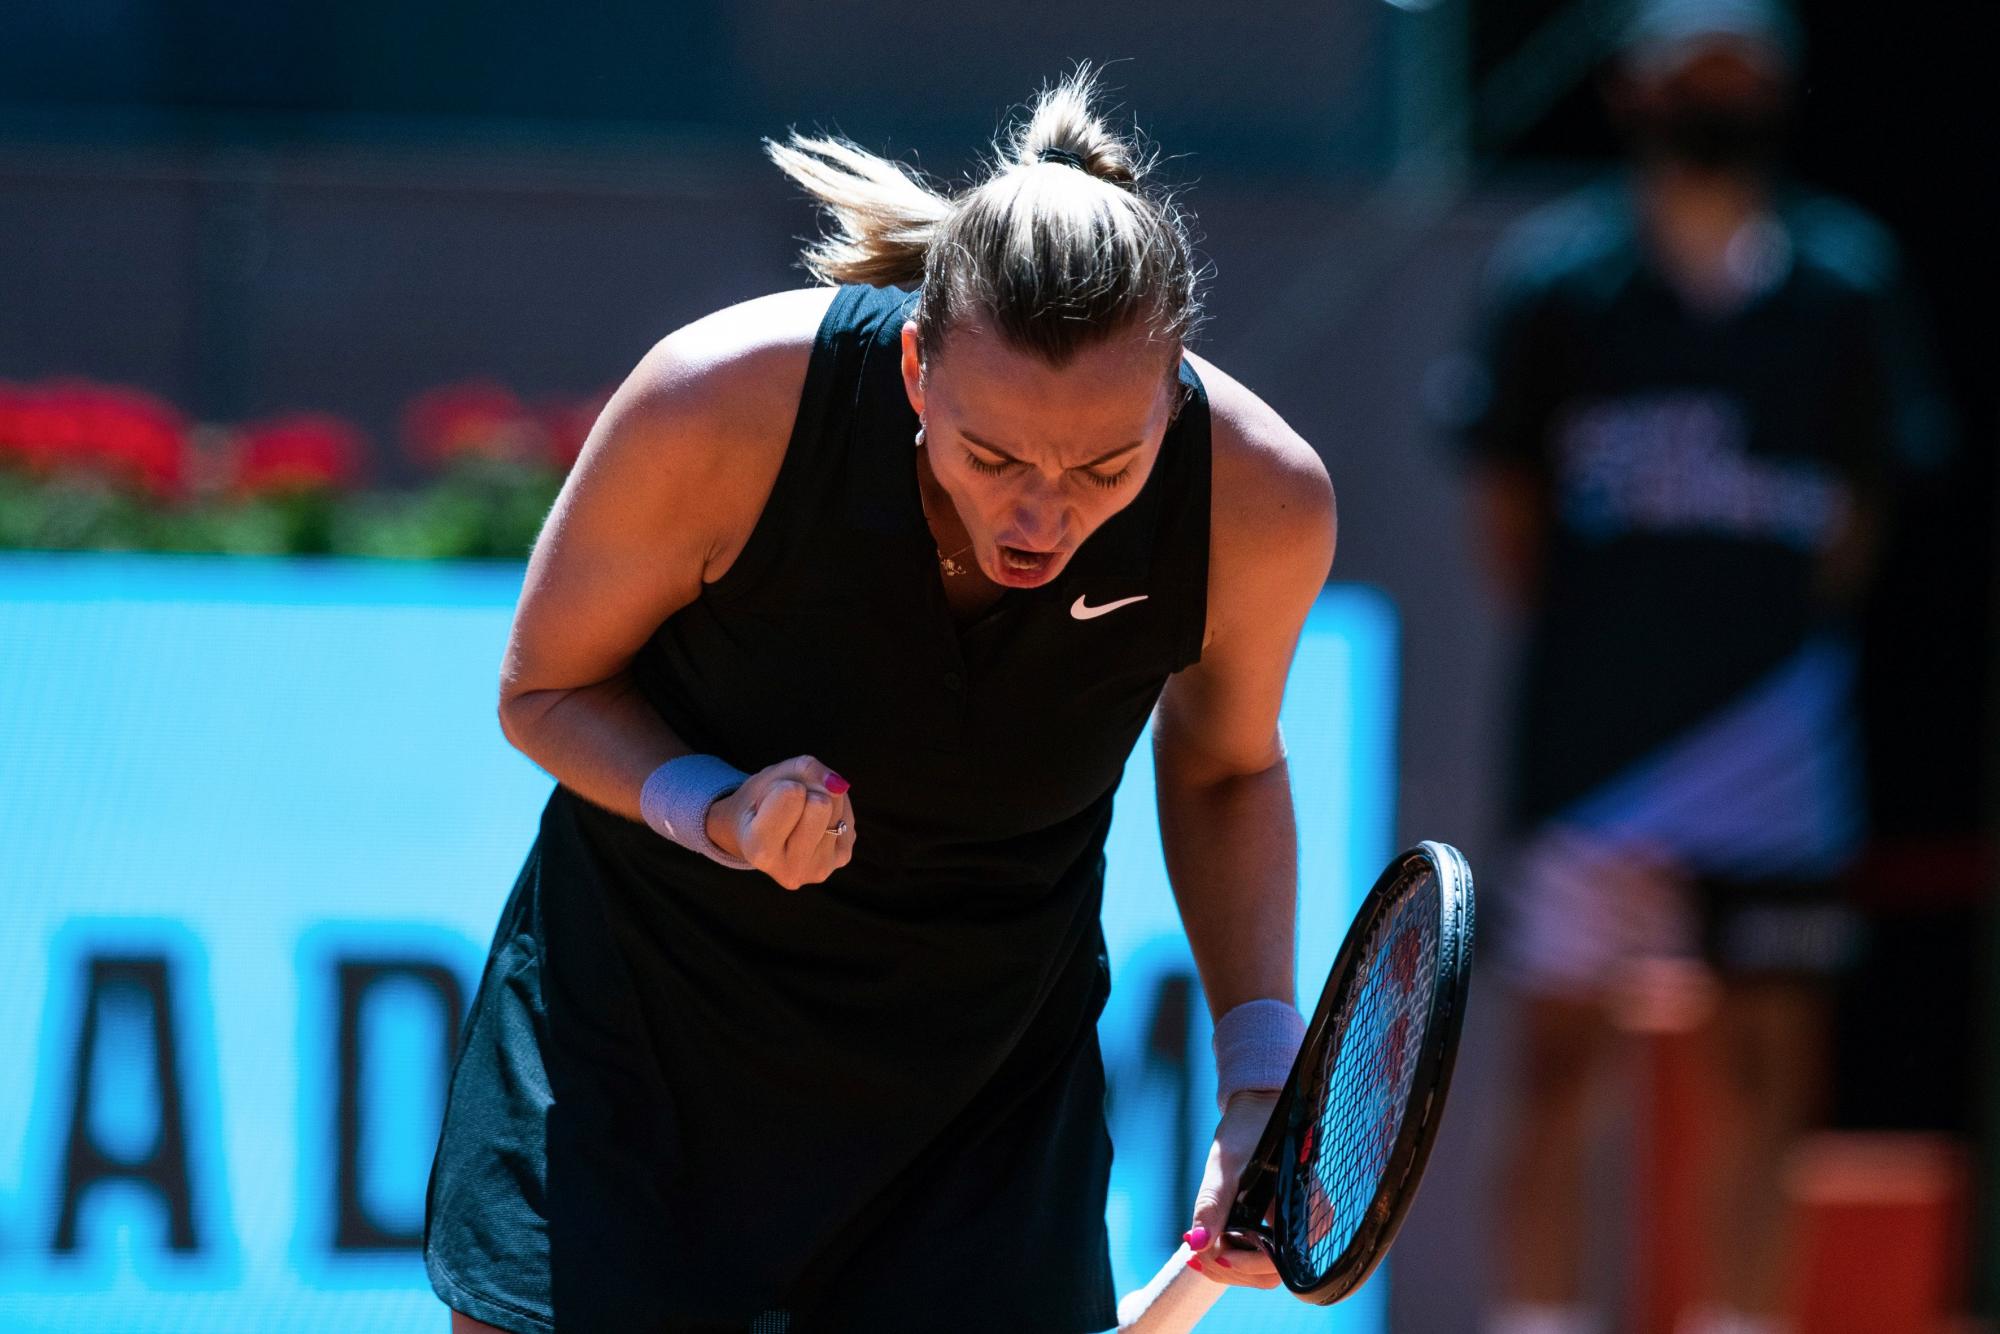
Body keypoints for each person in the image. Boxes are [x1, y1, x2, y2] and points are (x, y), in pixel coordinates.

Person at [422, 68, 1336, 1334]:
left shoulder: (1260, 498)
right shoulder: (717, 401)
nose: (1042, 512)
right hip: (638, 1047)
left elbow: (1225, 763)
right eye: (994, 454)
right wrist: (718, 810)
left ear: (1173, 383)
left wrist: (1254, 1081)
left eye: (1105, 465)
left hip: (982, 1100)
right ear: (914, 367)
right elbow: (545, 686)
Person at [1457, 4, 1949, 1333]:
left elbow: (1859, 516)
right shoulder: (1560, 281)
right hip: (1593, 750)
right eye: (1694, 78)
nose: (1717, 103)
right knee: (1559, 1068)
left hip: (1773, 748)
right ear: (1636, 89)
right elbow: (1508, 516)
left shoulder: (1844, 283)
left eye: (1743, 78)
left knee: (1765, 1066)